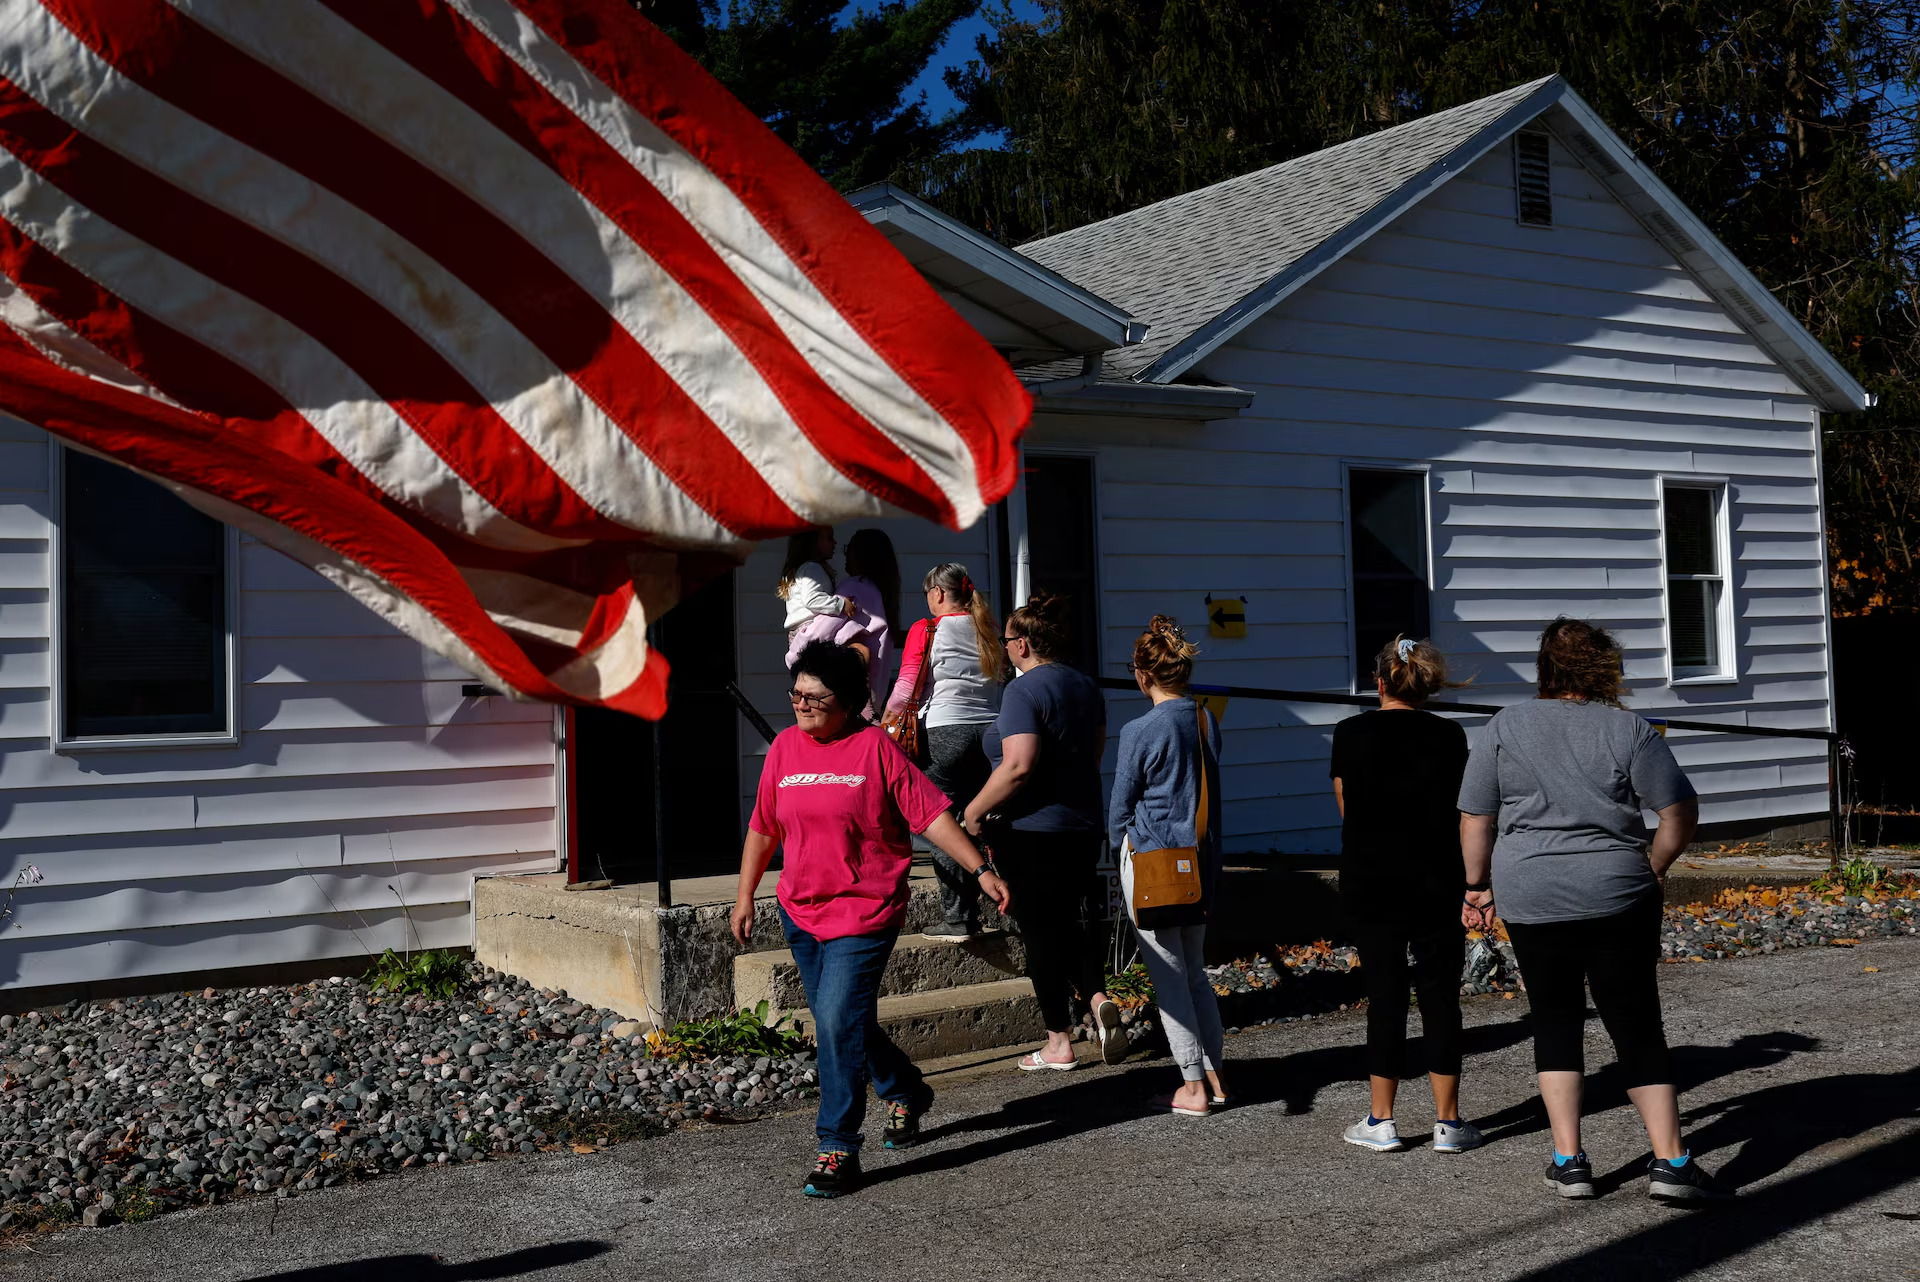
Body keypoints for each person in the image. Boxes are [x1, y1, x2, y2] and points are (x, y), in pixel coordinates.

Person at [1458, 618, 1729, 1202]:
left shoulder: (1505, 726)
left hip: (1532, 891)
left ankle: (1570, 1160)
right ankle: (1671, 1163)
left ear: (1544, 668)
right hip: (1616, 889)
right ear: (1605, 668)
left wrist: (1476, 885)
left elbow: (1475, 816)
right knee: (1634, 1022)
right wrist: (1652, 866)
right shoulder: (1628, 729)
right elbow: (1679, 811)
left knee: (1555, 1019)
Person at [731, 641, 1011, 1200]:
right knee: (842, 1019)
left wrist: (980, 868)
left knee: (836, 1021)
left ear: (849, 701)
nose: (801, 705)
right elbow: (764, 828)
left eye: (815, 697)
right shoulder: (785, 748)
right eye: (796, 694)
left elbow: (931, 815)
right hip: (800, 910)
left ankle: (838, 1146)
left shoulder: (874, 749)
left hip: (865, 909)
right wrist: (746, 897)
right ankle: (905, 1089)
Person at [1331, 636, 1482, 1155]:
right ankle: (1448, 1122)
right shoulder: (1450, 735)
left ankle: (1382, 1119)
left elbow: (1347, 807)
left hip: (1371, 879)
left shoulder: (1349, 732)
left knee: (1385, 996)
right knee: (1441, 997)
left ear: (1379, 682)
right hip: (1438, 879)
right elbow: (1465, 813)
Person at [962, 592, 1118, 1069]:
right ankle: (1097, 1001)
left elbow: (1017, 766)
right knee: (1067, 923)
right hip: (1083, 825)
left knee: (1040, 935)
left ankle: (1058, 1041)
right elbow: (1093, 756)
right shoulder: (1086, 686)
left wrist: (972, 812)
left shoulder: (1023, 691)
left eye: (1008, 640)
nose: (1004, 648)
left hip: (1030, 831)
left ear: (1025, 644)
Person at [1109, 616, 1228, 1112]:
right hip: (1198, 865)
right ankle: (1217, 1077)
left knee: (1168, 976)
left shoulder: (1140, 730)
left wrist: (1119, 853)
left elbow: (1119, 808)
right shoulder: (1206, 721)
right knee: (1195, 972)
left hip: (1154, 862)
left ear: (1142, 675)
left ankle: (1193, 1086)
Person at [885, 563, 1003, 937]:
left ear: (938, 593)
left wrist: (884, 725)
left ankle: (958, 918)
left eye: (927, 594)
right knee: (983, 820)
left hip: (944, 733)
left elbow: (906, 688)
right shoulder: (989, 629)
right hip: (990, 732)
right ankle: (1009, 909)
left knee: (942, 822)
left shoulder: (929, 628)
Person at [786, 528, 899, 714]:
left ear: (860, 555)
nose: (843, 553)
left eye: (849, 550)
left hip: (849, 693)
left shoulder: (854, 587)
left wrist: (795, 655)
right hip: (873, 690)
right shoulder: (879, 591)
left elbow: (821, 631)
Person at [777, 527, 857, 646]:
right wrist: (842, 604)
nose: (835, 542)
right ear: (812, 543)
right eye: (829, 538)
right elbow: (812, 599)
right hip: (810, 630)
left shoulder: (802, 569)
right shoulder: (812, 568)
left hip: (797, 634)